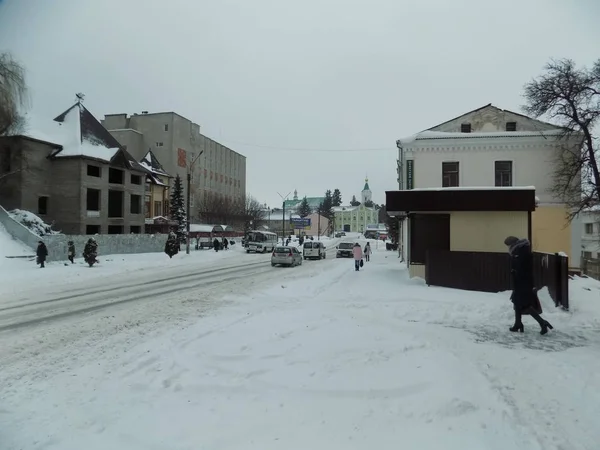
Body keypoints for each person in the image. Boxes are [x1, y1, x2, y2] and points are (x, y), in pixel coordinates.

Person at [504, 236, 554, 335]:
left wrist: (516, 271)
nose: (508, 247)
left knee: (524, 305)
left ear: (513, 244)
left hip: (524, 283)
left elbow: (524, 269)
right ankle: (518, 324)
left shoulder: (522, 253)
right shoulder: (519, 252)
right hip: (520, 283)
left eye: (508, 245)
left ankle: (542, 323)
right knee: (517, 302)